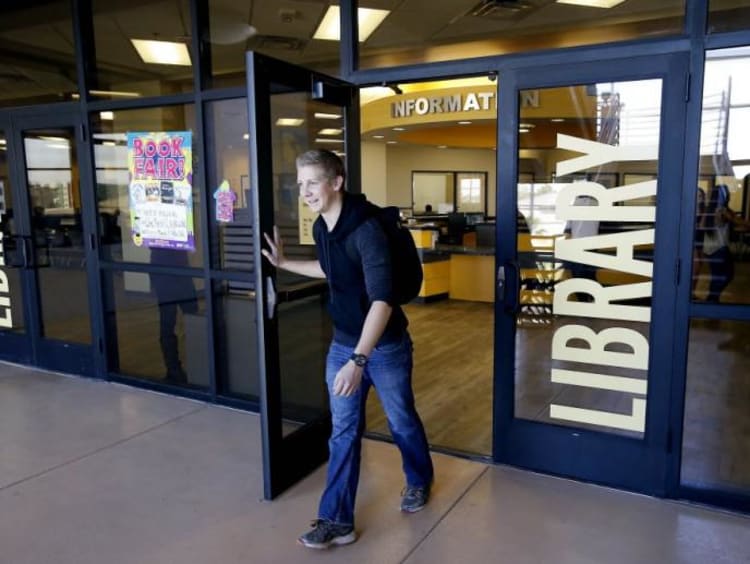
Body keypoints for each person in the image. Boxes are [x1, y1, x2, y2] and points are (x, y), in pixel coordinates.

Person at [261, 149, 434, 550]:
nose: (304, 191)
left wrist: (360, 359)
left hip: (384, 348)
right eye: (299, 184)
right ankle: (337, 520)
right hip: (343, 345)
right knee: (343, 432)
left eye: (312, 183)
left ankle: (419, 479)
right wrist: (286, 262)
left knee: (401, 420)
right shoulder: (324, 227)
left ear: (336, 182)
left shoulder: (367, 230)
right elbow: (331, 269)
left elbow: (383, 300)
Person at [150, 247, 198, 383]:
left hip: (173, 270)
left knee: (189, 320)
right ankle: (174, 370)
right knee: (173, 321)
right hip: (169, 270)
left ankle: (177, 370)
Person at [701, 184, 749, 302]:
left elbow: (702, 226)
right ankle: (712, 299)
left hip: (709, 249)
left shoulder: (710, 208)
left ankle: (713, 299)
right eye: (727, 193)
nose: (728, 196)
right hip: (719, 249)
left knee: (717, 276)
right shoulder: (722, 210)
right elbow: (740, 222)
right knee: (727, 275)